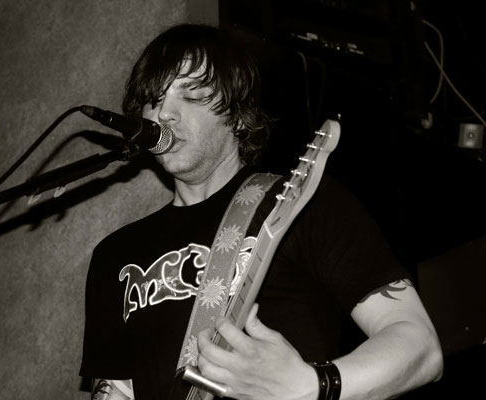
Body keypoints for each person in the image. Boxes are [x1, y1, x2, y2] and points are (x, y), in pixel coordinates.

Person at [79, 23, 443, 400]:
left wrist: (312, 385)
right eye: (154, 99)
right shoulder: (114, 256)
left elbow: (419, 346)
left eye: (191, 93)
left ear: (238, 115)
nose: (165, 114)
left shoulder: (299, 201)